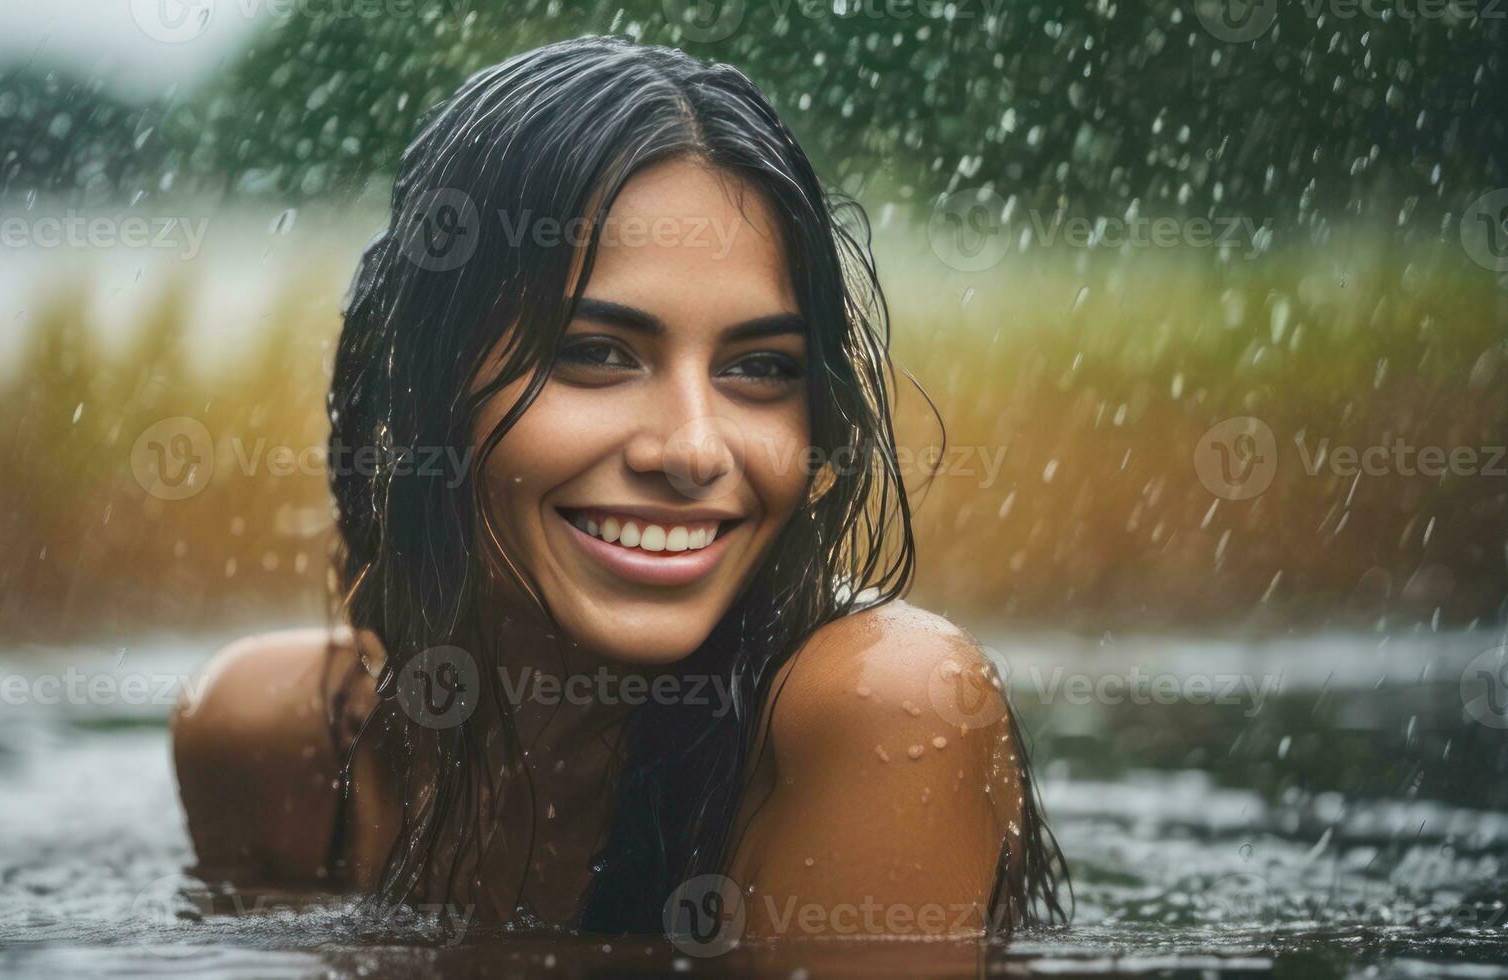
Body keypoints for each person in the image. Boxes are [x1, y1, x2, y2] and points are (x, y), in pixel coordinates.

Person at [172, 35, 1067, 943]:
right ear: (422, 386)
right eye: (596, 353)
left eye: (760, 367)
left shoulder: (884, 706)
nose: (692, 448)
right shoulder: (276, 742)